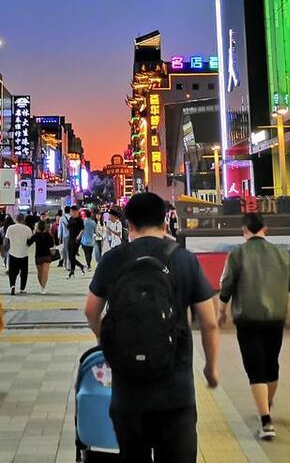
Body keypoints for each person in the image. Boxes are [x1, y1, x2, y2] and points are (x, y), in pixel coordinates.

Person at [85, 192, 220, 462]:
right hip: (176, 392)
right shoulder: (183, 259)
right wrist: (210, 368)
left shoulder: (113, 259)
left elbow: (91, 310)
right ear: (164, 221)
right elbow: (209, 321)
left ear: (129, 224)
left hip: (128, 391)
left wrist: (106, 343)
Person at [217, 213, 290, 441]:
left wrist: (221, 311)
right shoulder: (282, 254)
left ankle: (266, 421)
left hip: (248, 319)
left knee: (255, 368)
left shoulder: (237, 254)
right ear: (265, 229)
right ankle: (266, 405)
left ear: (244, 230)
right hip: (276, 318)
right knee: (271, 364)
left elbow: (227, 285)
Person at [4, 215, 33, 295]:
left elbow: (6, 240)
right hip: (24, 253)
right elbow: (30, 241)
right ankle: (22, 288)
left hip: (13, 253)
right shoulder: (27, 229)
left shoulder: (10, 228)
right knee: (24, 273)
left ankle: (12, 286)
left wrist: (6, 249)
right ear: (23, 220)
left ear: (16, 219)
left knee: (12, 272)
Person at [28, 218, 56, 294]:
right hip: (47, 256)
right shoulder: (49, 236)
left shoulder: (36, 235)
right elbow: (52, 249)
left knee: (40, 272)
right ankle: (43, 288)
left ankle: (41, 286)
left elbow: (28, 243)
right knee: (45, 273)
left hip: (38, 256)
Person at [66, 206, 85, 277]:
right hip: (70, 239)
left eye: (72, 211)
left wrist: (78, 237)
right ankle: (75, 269)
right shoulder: (70, 219)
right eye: (70, 211)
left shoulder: (79, 220)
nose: (70, 212)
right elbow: (68, 227)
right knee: (70, 256)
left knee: (72, 255)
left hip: (76, 240)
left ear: (75, 212)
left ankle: (73, 270)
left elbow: (82, 229)